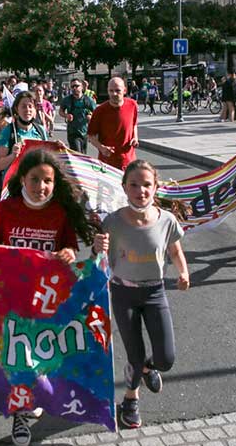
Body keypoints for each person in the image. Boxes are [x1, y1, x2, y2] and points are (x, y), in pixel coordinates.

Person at [0, 149, 97, 446]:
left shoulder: (60, 212)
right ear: (22, 179)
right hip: (12, 297)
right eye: (34, 179)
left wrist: (69, 252)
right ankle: (20, 412)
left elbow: (69, 247)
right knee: (18, 356)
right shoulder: (6, 209)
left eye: (47, 181)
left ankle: (33, 394)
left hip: (47, 298)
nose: (40, 186)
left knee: (41, 356)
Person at [93, 159, 189, 429]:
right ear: (124, 188)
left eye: (146, 185)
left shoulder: (167, 220)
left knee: (166, 359)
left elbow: (175, 251)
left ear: (155, 187)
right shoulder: (113, 222)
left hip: (155, 292)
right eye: (134, 185)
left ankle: (148, 368)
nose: (141, 190)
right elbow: (99, 258)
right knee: (134, 354)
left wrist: (184, 272)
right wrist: (97, 246)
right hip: (123, 293)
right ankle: (130, 399)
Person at [87, 77, 139, 171]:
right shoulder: (100, 111)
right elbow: (91, 136)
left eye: (117, 90)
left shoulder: (132, 105)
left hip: (129, 161)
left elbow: (134, 124)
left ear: (124, 90)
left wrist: (135, 138)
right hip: (107, 164)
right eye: (111, 90)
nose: (114, 94)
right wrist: (101, 148)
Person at [0, 91, 48, 173]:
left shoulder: (40, 130)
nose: (27, 110)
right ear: (16, 109)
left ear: (35, 109)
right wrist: (13, 156)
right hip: (15, 182)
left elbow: (47, 157)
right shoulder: (8, 131)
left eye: (30, 106)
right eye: (23, 106)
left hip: (36, 180)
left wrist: (58, 149)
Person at [59, 78, 96, 154]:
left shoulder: (88, 100)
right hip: (72, 132)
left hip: (84, 131)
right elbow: (60, 111)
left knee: (83, 153)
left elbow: (97, 113)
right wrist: (66, 115)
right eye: (72, 87)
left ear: (82, 87)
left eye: (76, 86)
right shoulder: (67, 100)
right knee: (77, 153)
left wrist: (90, 116)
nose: (74, 88)